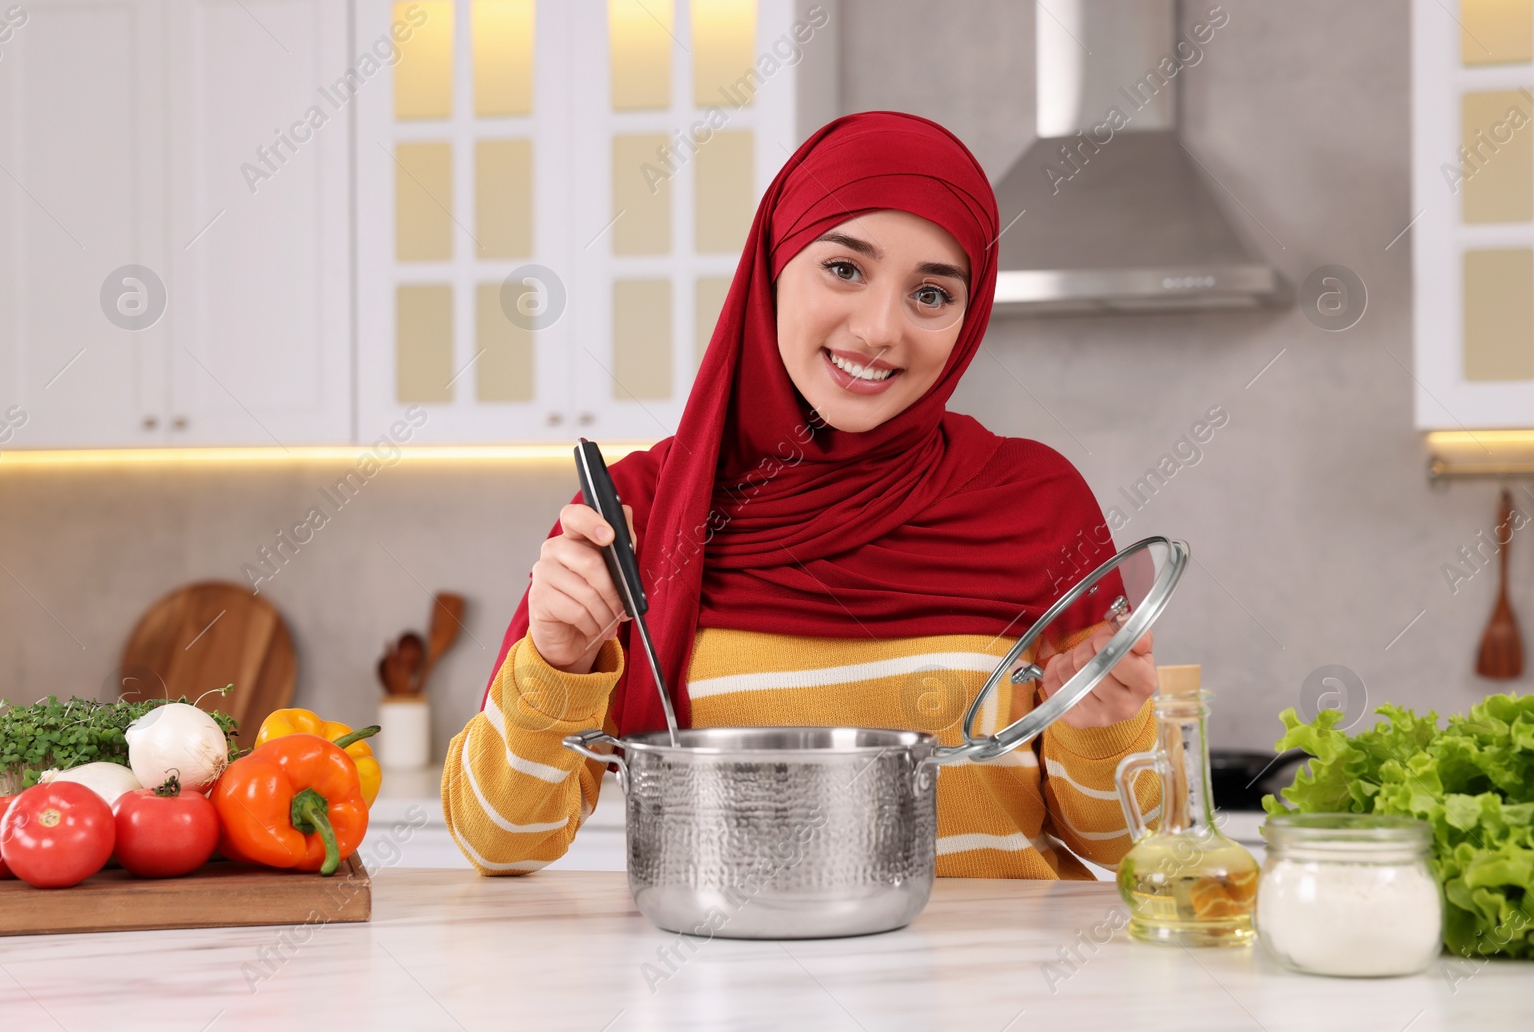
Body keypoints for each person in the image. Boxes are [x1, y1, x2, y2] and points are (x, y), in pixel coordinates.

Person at [442, 111, 1159, 879]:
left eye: (930, 294)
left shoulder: (1036, 502)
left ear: (967, 317)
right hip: (726, 992)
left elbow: (1129, 851)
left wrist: (1102, 726)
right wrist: (556, 659)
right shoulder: (637, 514)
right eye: (845, 269)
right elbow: (497, 840)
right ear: (773, 267)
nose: (881, 328)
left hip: (991, 993)